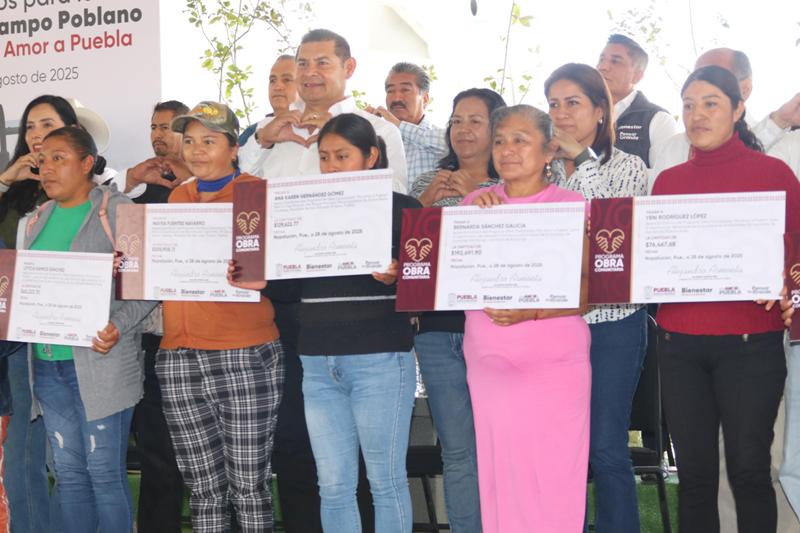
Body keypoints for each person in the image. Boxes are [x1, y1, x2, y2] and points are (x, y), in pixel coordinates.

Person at [231, 112, 419, 532]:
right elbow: (292, 285)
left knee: (385, 482)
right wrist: (259, 280)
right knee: (333, 486)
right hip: (317, 361)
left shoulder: (403, 209)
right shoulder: (304, 209)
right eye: (325, 157)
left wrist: (398, 273)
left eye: (343, 156)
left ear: (371, 157)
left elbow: (427, 285)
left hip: (380, 359)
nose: (332, 166)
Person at [652, 65, 800, 533]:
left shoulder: (774, 174)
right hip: (678, 346)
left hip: (751, 347)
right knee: (694, 478)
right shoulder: (667, 183)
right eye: (688, 105)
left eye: (711, 103)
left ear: (738, 110)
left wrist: (788, 286)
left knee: (750, 471)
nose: (697, 115)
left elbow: (797, 255)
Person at [158, 101, 284, 533]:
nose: (196, 150)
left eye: (209, 141)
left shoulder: (258, 194)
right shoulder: (177, 197)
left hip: (244, 353)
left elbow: (282, 269)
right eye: (189, 140)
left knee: (249, 487)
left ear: (234, 148)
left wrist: (265, 275)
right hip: (178, 355)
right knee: (203, 491)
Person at [465, 104, 590, 533]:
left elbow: (589, 293)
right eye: (500, 141)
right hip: (490, 364)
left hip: (554, 365)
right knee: (500, 475)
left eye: (520, 140)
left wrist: (531, 312)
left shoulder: (571, 206)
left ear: (548, 150)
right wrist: (473, 217)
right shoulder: (473, 206)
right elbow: (449, 282)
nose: (507, 150)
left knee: (554, 476)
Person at [24, 125, 155, 533]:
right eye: (42, 160)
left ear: (87, 164)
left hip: (103, 365)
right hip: (48, 366)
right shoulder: (34, 221)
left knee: (104, 474)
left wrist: (117, 325)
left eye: (58, 158)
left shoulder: (119, 211)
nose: (47, 168)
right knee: (68, 475)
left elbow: (148, 286)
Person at [544, 63, 649, 533]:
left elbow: (606, 229)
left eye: (573, 103)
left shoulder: (629, 167)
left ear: (601, 110)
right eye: (553, 104)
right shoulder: (538, 169)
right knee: (559, 447)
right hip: (551, 324)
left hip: (613, 324)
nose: (561, 113)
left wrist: (583, 160)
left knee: (606, 447)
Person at [407, 87, 507, 533]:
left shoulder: (512, 186)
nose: (462, 130)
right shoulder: (426, 182)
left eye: (474, 121)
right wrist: (422, 204)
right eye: (456, 121)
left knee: (500, 446)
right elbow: (407, 251)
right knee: (459, 450)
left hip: (496, 329)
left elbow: (518, 251)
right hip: (435, 331)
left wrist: (478, 194)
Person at [0, 94, 82, 533]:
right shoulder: (12, 193)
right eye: (30, 126)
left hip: (72, 338)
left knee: (72, 460)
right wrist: (5, 179)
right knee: (22, 454)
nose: (35, 135)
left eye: (47, 124)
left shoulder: (91, 192)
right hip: (17, 339)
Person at [123, 100, 191, 533]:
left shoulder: (210, 189)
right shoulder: (140, 193)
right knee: (156, 453)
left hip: (203, 338)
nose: (158, 135)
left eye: (167, 127)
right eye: (153, 127)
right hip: (151, 339)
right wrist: (132, 180)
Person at [253, 29, 408, 193]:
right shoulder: (269, 129)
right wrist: (262, 140)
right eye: (303, 64)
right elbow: (239, 187)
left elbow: (396, 196)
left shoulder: (381, 131)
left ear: (349, 68)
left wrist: (346, 135)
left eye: (322, 63)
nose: (309, 72)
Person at [651, 48, 800, 189]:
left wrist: (779, 121)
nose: (701, 83)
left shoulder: (778, 160)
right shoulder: (671, 152)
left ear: (745, 89)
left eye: (715, 76)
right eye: (689, 105)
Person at [597, 33, 678, 168]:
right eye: (601, 59)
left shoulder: (658, 119)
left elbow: (664, 176)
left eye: (615, 61)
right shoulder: (581, 113)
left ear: (637, 76)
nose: (602, 67)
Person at [366, 62, 448, 184]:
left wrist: (399, 125)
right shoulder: (379, 138)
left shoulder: (441, 138)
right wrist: (362, 128)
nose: (396, 98)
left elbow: (452, 145)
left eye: (405, 90)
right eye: (390, 91)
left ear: (425, 99)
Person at [123, 100, 193, 203]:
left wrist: (190, 180)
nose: (156, 135)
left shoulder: (208, 176)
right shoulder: (145, 176)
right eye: (153, 128)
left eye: (164, 127)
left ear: (186, 132)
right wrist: (131, 178)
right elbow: (101, 198)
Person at [238, 54, 299, 163]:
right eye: (272, 80)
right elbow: (235, 169)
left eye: (287, 80)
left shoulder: (319, 129)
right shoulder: (253, 133)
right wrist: (261, 139)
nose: (277, 87)